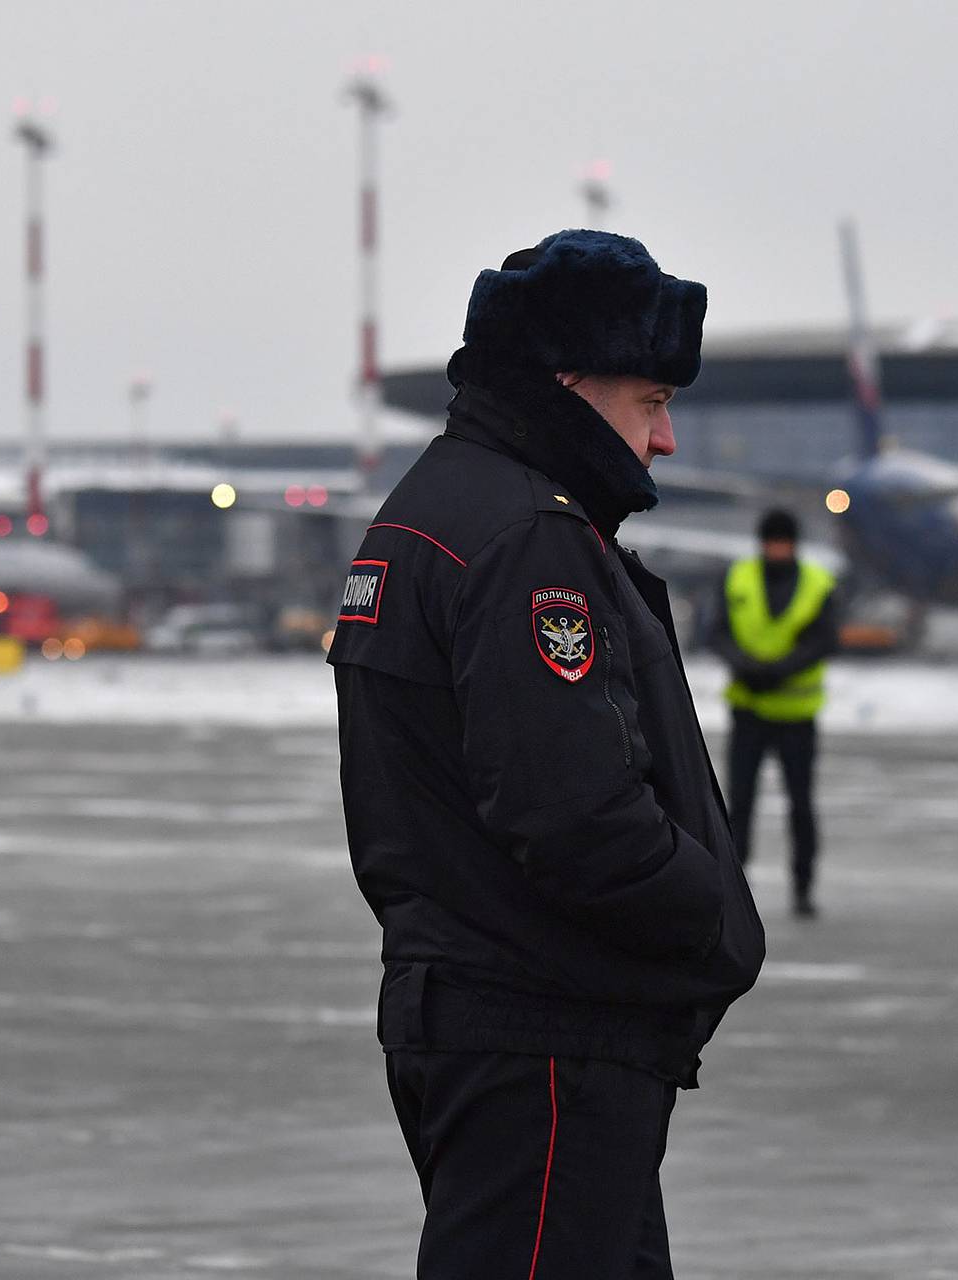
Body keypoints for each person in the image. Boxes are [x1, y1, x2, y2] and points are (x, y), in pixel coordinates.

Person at [327, 229, 765, 1279]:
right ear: (569, 384)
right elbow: (572, 813)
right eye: (650, 400)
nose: (662, 438)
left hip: (490, 1014)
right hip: (543, 1032)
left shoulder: (436, 510)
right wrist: (708, 915)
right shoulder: (528, 536)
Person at [709, 508, 838, 918]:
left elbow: (824, 640)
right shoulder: (738, 576)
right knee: (739, 806)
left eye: (782, 542)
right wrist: (745, 666)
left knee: (800, 805)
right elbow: (717, 633)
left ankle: (803, 886)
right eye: (771, 542)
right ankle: (733, 888)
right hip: (748, 709)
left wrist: (778, 670)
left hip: (796, 712)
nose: (777, 549)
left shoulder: (818, 582)